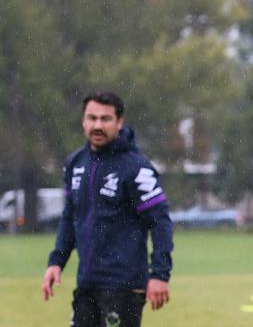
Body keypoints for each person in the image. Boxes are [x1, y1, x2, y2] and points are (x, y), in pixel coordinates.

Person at [42, 90, 174, 327]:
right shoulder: (76, 163)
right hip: (87, 285)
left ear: (119, 122)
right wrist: (56, 262)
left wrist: (160, 274)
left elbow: (160, 221)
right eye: (92, 118)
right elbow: (70, 216)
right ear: (83, 120)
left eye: (105, 119)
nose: (98, 125)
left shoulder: (136, 167)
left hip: (123, 288)